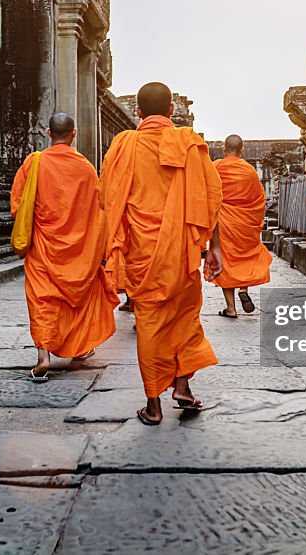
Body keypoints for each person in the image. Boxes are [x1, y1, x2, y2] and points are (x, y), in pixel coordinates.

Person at [99, 82, 223, 425]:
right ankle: (182, 387)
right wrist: (214, 249)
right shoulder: (191, 144)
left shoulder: (124, 145)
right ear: (171, 111)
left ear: (138, 112)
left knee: (150, 322)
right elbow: (211, 200)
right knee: (184, 317)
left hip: (141, 251)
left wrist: (111, 247)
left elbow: (108, 197)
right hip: (182, 252)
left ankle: (153, 406)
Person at [10, 113, 118, 381]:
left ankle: (43, 357)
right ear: (74, 134)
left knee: (43, 300)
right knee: (77, 299)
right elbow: (98, 212)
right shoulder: (85, 168)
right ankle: (79, 347)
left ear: (48, 133)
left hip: (43, 246)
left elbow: (18, 207)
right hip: (79, 248)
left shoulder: (33, 163)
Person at [212, 134, 272, 318]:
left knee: (226, 261)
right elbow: (260, 199)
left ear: (224, 148)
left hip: (224, 223)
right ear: (242, 150)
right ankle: (243, 289)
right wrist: (254, 220)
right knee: (245, 257)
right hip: (245, 223)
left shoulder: (216, 167)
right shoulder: (249, 171)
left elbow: (208, 193)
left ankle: (231, 308)